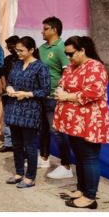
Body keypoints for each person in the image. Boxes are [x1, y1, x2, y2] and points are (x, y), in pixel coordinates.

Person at [53, 36, 109, 209]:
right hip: (74, 121)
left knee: (89, 158)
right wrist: (60, 90)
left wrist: (67, 96)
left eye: (71, 54)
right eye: (66, 54)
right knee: (79, 157)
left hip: (90, 121)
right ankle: (81, 189)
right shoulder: (72, 67)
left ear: (82, 50)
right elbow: (63, 83)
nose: (68, 58)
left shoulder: (96, 67)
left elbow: (94, 92)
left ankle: (90, 196)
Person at [4, 36, 51, 189]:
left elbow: (45, 90)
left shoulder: (40, 67)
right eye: (17, 50)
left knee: (29, 145)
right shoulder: (16, 64)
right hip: (13, 109)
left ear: (31, 50)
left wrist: (27, 94)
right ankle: (19, 173)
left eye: (21, 50)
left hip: (30, 111)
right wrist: (9, 89)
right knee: (16, 143)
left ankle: (30, 177)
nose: (18, 53)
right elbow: (10, 81)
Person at [38, 16, 74, 178]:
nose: (42, 31)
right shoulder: (42, 48)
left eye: (45, 28)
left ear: (54, 30)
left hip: (55, 98)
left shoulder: (62, 48)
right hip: (42, 96)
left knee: (58, 132)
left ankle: (66, 166)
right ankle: (44, 158)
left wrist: (61, 93)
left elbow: (68, 73)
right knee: (43, 129)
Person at [0, 35, 20, 153]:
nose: (10, 49)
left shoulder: (24, 59)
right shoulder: (8, 59)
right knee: (7, 118)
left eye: (12, 47)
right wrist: (5, 87)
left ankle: (19, 145)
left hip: (21, 94)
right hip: (8, 93)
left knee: (19, 120)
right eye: (8, 47)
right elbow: (2, 74)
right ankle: (8, 143)